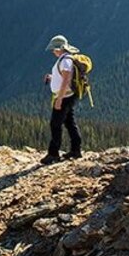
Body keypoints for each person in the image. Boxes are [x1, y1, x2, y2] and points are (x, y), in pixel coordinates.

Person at [41, 34, 83, 164]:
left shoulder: (65, 60)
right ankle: (76, 150)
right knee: (69, 122)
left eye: (54, 49)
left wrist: (59, 99)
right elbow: (62, 78)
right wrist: (52, 78)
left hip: (64, 96)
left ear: (60, 48)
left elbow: (66, 79)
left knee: (55, 124)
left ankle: (53, 153)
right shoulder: (65, 59)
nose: (53, 51)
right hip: (68, 95)